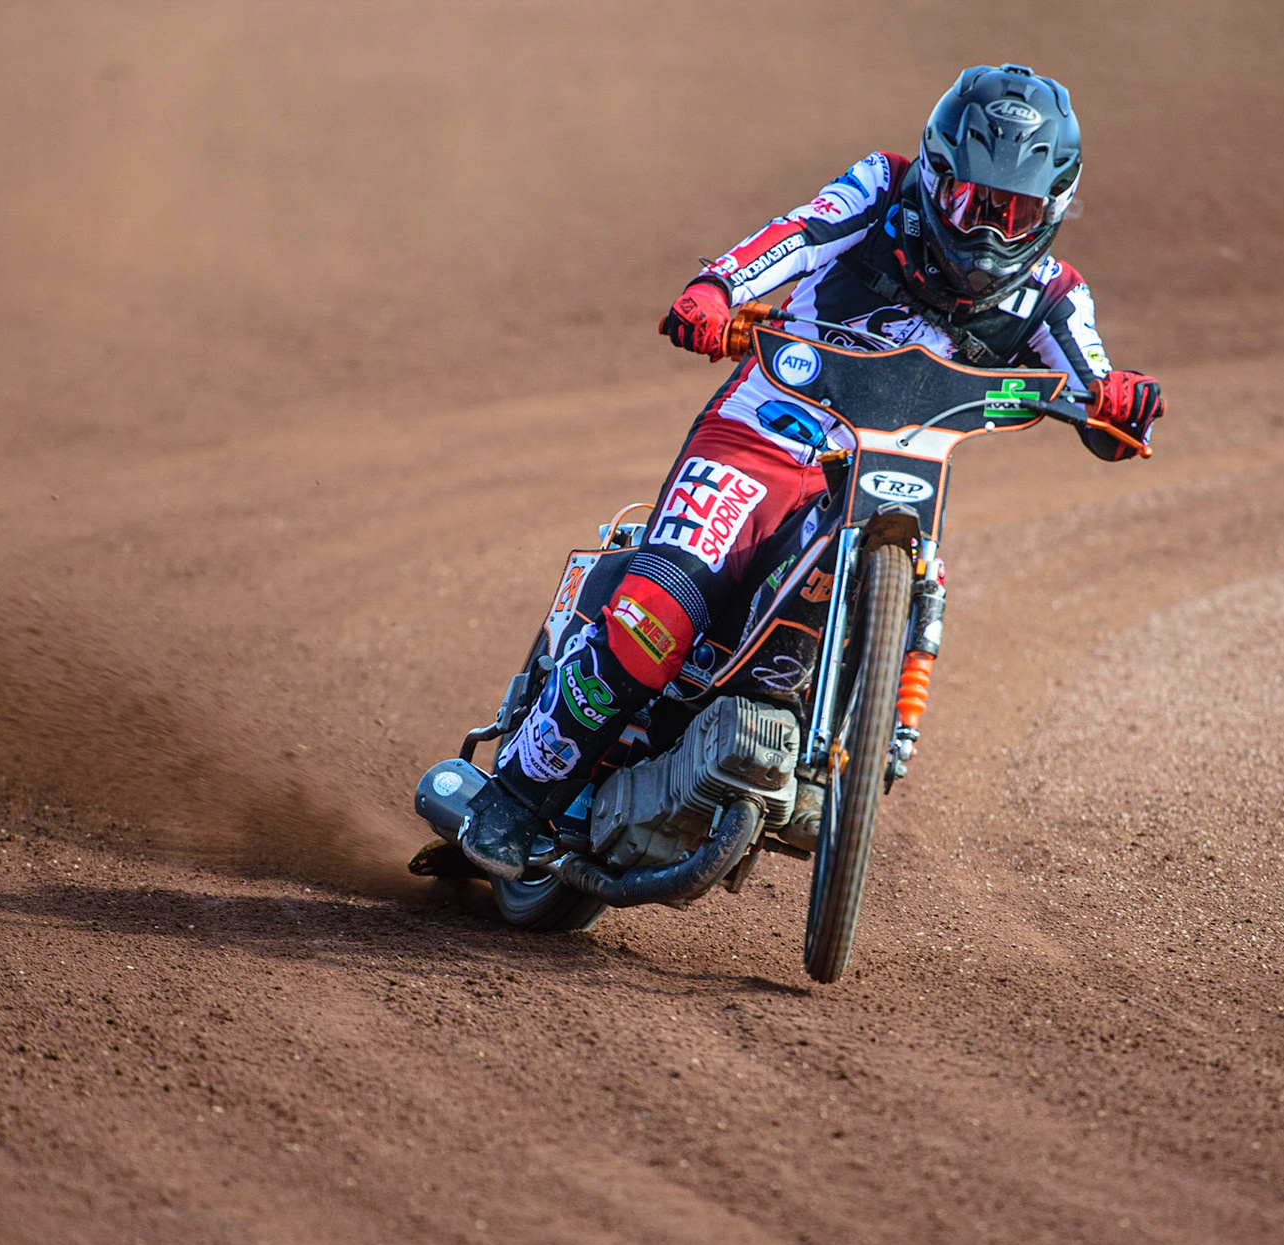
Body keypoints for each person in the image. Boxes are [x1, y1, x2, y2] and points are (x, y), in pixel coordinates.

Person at [458, 64, 1164, 877]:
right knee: (666, 601)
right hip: (765, 437)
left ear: (1056, 213)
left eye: (1019, 214)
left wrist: (1122, 403)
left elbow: (1097, 397)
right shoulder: (880, 188)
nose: (992, 234)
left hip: (879, 484)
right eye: (975, 204)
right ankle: (513, 798)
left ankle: (825, 741)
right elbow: (793, 236)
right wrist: (717, 289)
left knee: (880, 593)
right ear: (935, 179)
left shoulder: (1055, 296)